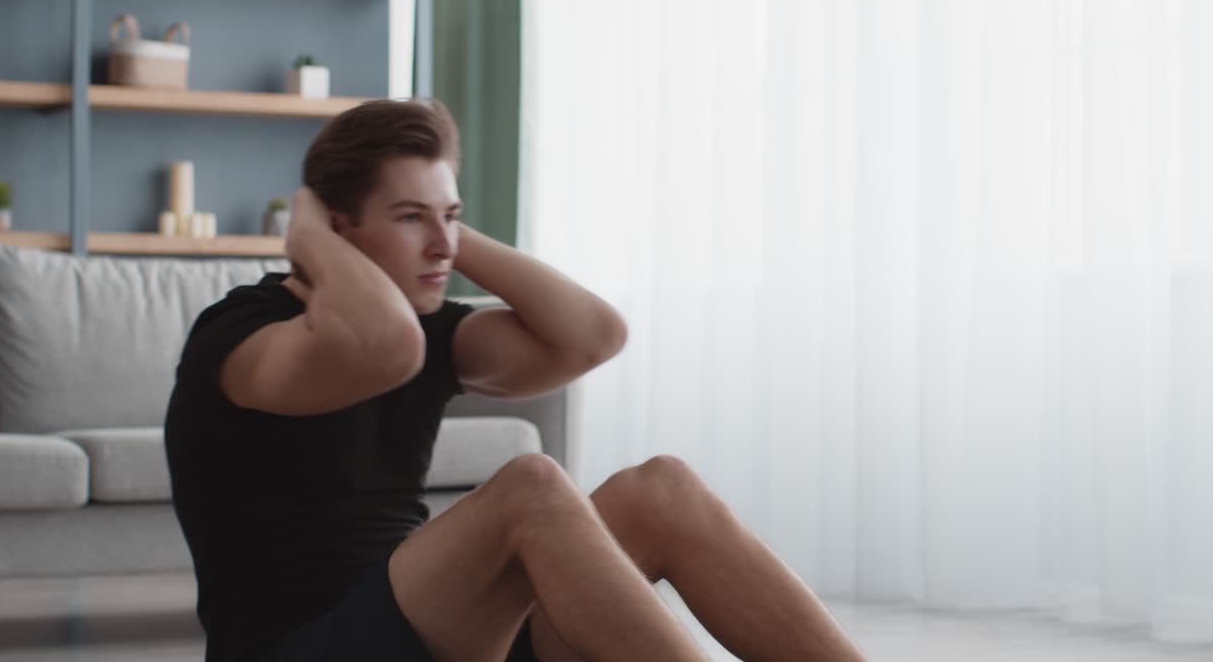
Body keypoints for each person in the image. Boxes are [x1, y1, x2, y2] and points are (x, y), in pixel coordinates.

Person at [164, 98, 867, 662]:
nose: (443, 246)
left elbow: (594, 335)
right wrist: (311, 239)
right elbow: (379, 346)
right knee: (532, 488)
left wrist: (437, 228)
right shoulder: (240, 334)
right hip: (309, 648)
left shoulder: (428, 324)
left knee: (662, 488)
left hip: (446, 634)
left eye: (453, 218)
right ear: (337, 225)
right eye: (411, 219)